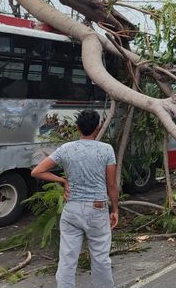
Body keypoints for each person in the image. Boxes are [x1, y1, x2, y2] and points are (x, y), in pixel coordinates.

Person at [31, 110, 118, 288]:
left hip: (72, 210)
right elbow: (111, 184)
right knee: (101, 259)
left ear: (77, 127)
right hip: (97, 209)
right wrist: (115, 209)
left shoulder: (66, 149)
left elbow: (37, 171)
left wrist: (62, 180)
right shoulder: (106, 150)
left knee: (67, 259)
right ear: (98, 128)